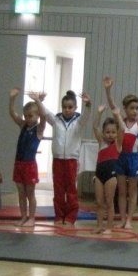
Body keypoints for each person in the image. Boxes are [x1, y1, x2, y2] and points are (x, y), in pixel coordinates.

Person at [103, 76, 138, 229]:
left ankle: (129, 221)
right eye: (132, 108)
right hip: (121, 158)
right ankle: (122, 219)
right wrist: (108, 90)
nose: (135, 111)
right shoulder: (121, 121)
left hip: (133, 159)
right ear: (125, 109)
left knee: (132, 191)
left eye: (136, 108)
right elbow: (113, 106)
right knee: (121, 191)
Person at [31, 90, 92, 226]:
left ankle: (70, 217)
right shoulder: (56, 120)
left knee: (71, 190)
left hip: (72, 160)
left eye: (70, 107)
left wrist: (88, 104)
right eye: (64, 107)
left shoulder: (78, 122)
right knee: (58, 189)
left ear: (75, 107)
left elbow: (86, 116)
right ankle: (59, 216)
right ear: (61, 107)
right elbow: (45, 113)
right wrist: (38, 101)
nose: (67, 110)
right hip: (58, 160)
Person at [8, 88, 46, 227]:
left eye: (30, 116)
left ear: (36, 116)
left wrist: (37, 101)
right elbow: (12, 114)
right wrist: (12, 99)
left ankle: (32, 218)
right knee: (21, 193)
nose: (27, 119)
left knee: (30, 194)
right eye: (26, 116)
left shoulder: (39, 129)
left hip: (29, 165)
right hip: (19, 164)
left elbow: (44, 116)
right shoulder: (23, 125)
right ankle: (23, 216)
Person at [92, 104, 124, 235]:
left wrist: (117, 115)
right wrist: (99, 113)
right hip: (99, 175)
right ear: (103, 133)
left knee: (109, 202)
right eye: (107, 132)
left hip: (111, 176)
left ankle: (109, 227)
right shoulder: (101, 142)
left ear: (116, 133)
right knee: (99, 202)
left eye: (113, 132)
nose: (110, 135)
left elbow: (122, 128)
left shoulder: (118, 144)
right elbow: (95, 126)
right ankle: (100, 226)